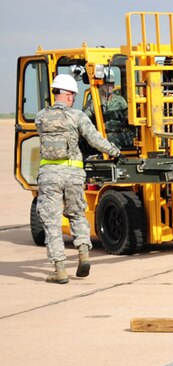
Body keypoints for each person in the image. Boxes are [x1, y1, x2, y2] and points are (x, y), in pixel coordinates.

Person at [36, 74, 122, 284]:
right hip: (73, 174)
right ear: (67, 95)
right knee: (77, 215)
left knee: (52, 223)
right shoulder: (77, 116)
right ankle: (83, 254)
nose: (73, 98)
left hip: (49, 175)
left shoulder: (40, 117)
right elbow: (94, 139)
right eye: (72, 95)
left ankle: (60, 269)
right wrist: (115, 152)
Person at [84, 74, 134, 150]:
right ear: (101, 85)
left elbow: (128, 115)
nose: (109, 86)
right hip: (102, 136)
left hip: (119, 134)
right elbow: (84, 120)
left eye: (111, 83)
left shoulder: (120, 100)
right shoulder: (93, 102)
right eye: (106, 83)